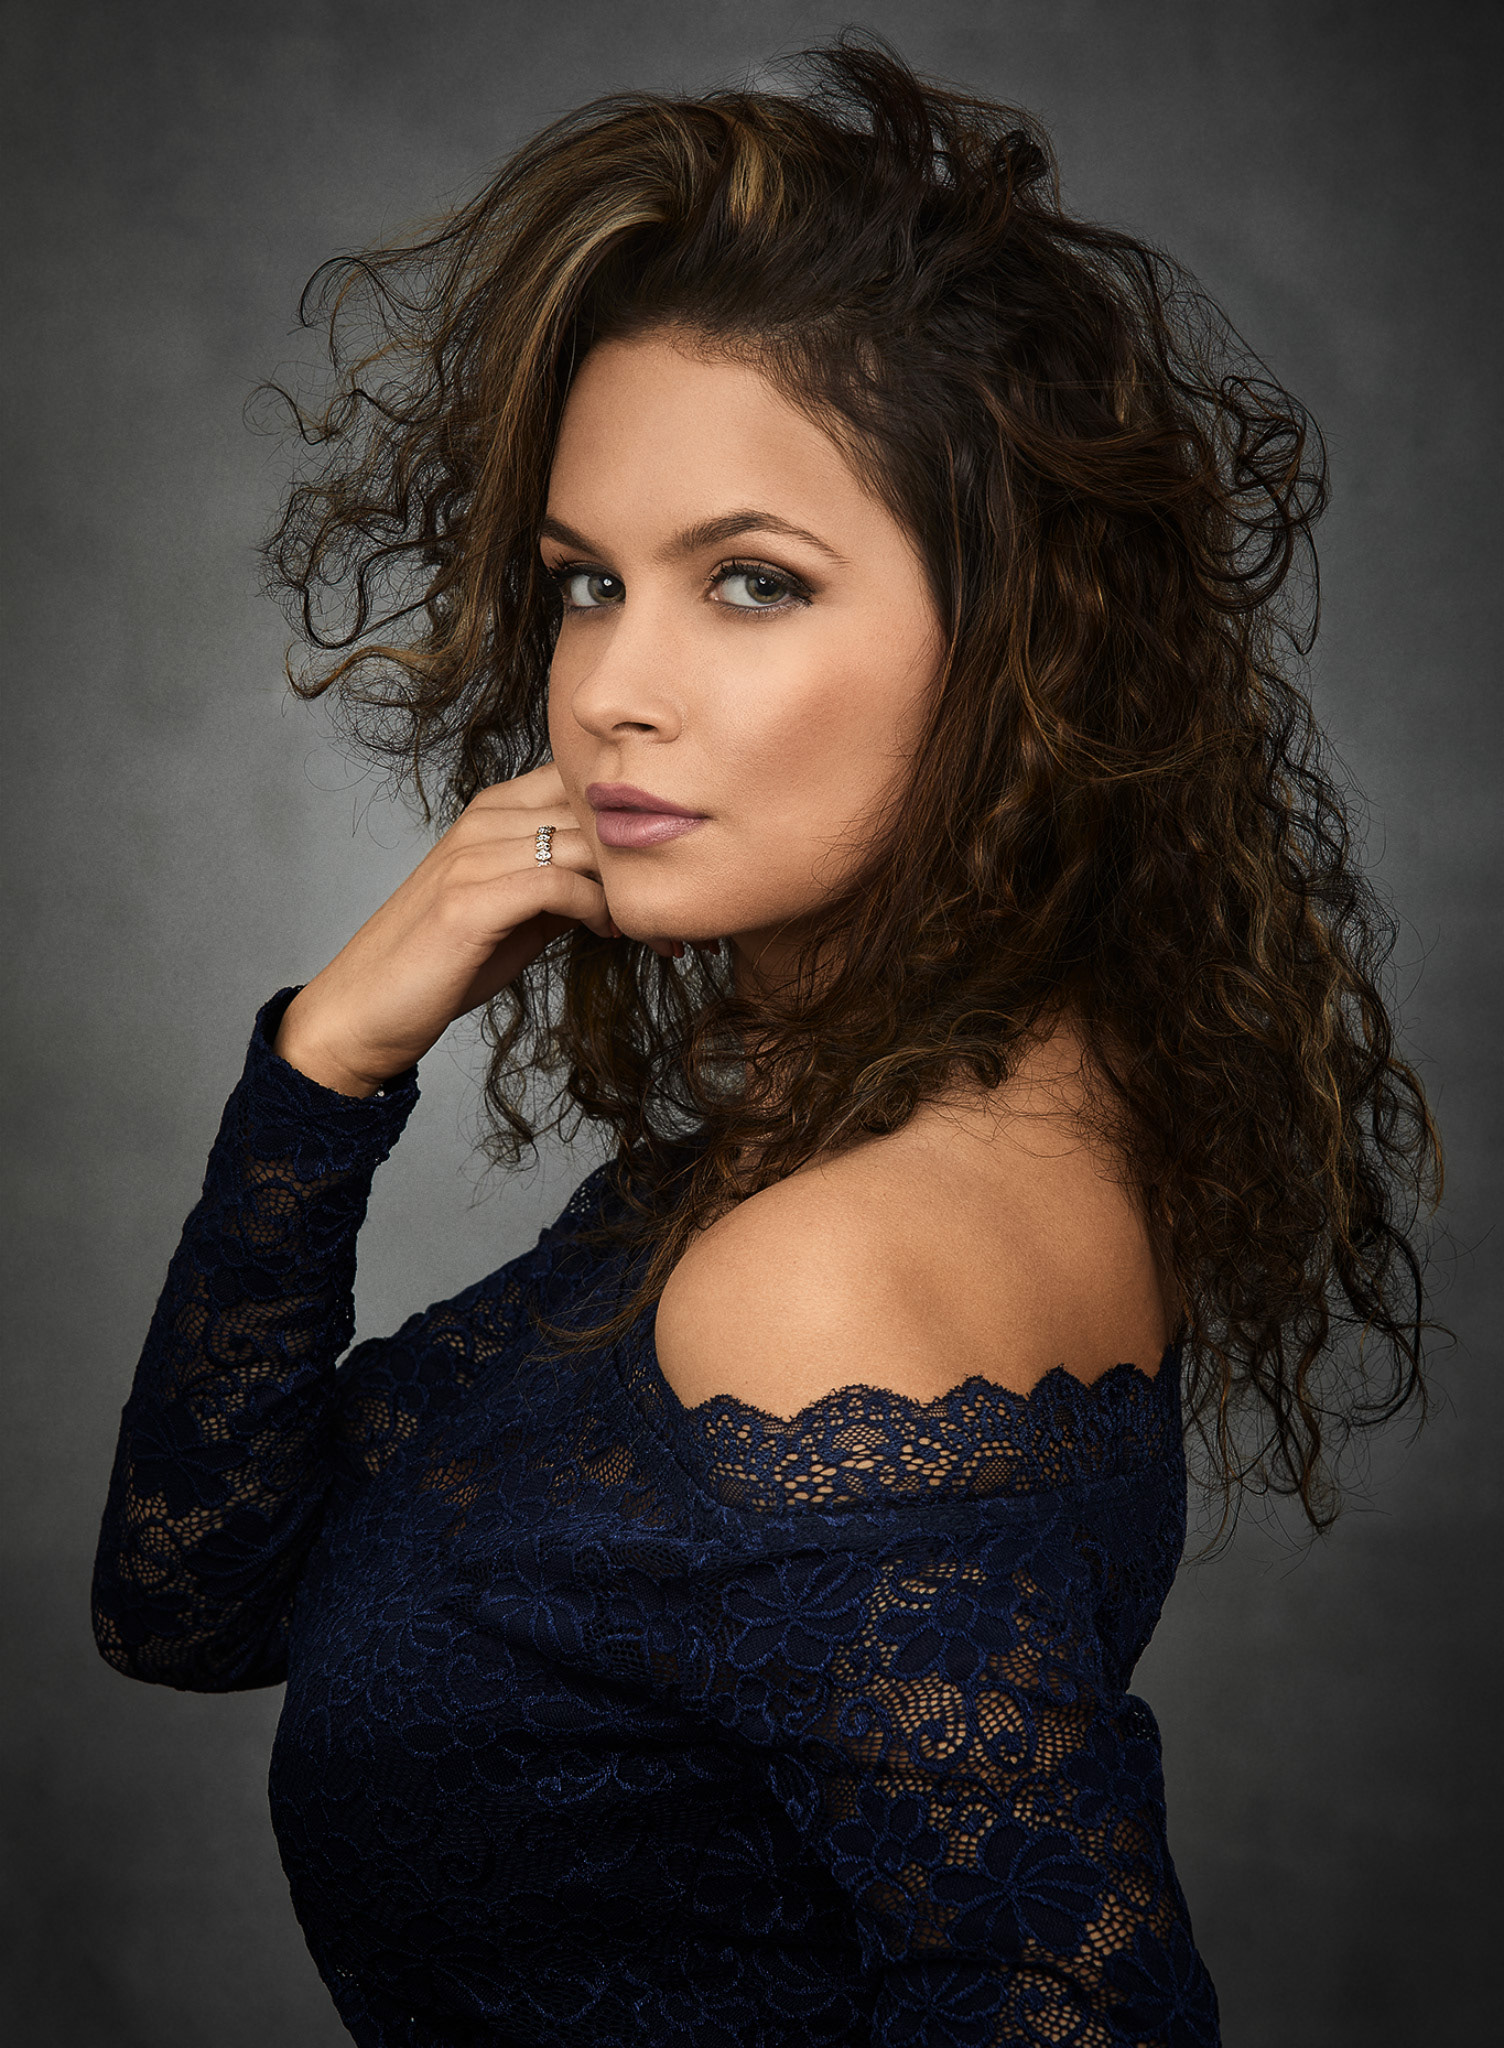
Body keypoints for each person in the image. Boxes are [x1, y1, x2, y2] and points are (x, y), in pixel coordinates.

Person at [90, 35, 1440, 2048]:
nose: (610, 690)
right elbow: (193, 1597)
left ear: (1019, 635)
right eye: (583, 583)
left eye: (749, 581)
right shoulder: (867, 1133)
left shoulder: (832, 1282)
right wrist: (331, 1063)